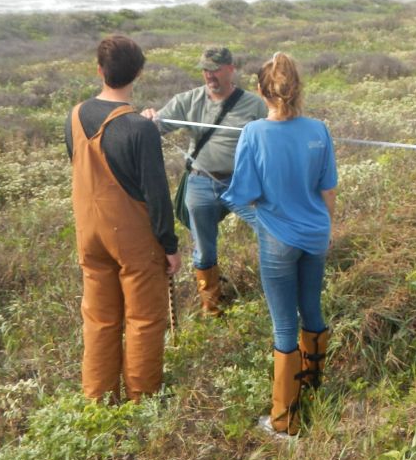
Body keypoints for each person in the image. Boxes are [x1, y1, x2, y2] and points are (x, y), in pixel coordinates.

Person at [221, 53, 337, 438]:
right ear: (299, 87)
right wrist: (320, 228)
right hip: (316, 236)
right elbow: (328, 191)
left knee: (284, 325)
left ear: (260, 91)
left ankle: (284, 419)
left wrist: (265, 225)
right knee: (313, 310)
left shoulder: (254, 133)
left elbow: (240, 196)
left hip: (278, 242)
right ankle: (315, 389)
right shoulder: (319, 129)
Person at [65, 35, 181, 403]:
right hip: (132, 239)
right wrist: (170, 245)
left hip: (89, 233)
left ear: (99, 71)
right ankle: (141, 401)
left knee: (98, 321)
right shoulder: (140, 128)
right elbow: (156, 194)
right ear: (139, 73)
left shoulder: (75, 116)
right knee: (144, 321)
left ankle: (97, 400)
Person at [141, 47, 268, 314]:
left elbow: (271, 140)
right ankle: (211, 307)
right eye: (205, 69)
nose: (209, 75)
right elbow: (154, 128)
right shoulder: (187, 100)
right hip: (200, 183)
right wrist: (146, 120)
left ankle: (274, 288)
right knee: (204, 249)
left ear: (231, 69)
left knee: (270, 230)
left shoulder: (254, 104)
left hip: (241, 185)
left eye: (215, 69)